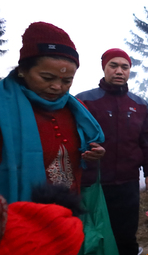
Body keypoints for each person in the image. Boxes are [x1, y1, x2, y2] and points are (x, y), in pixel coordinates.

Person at [0, 21, 105, 204]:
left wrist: (94, 152)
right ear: (23, 70)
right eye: (47, 78)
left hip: (69, 210)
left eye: (67, 80)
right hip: (19, 215)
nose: (57, 87)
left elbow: (80, 151)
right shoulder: (4, 108)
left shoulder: (75, 109)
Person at [76, 48, 148, 255]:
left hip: (128, 180)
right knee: (95, 230)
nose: (119, 71)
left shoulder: (139, 104)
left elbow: (145, 141)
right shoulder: (85, 101)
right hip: (94, 181)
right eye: (114, 65)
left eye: (125, 66)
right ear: (104, 67)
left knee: (126, 231)